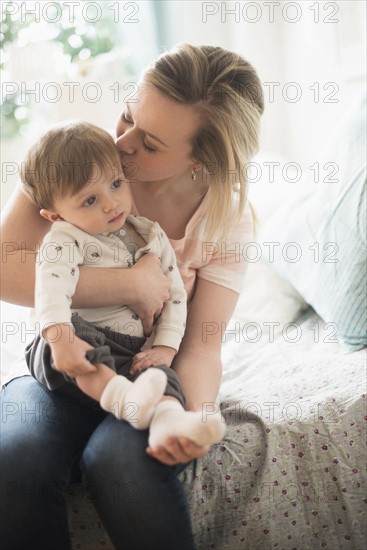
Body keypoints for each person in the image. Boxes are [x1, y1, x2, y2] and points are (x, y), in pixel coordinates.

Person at [0, 44, 264, 550]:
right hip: (63, 365)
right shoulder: (77, 156)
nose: (121, 142)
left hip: (145, 374)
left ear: (200, 158)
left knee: (119, 463)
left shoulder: (225, 220)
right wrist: (129, 284)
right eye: (126, 115)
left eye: (150, 143)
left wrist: (193, 416)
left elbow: (202, 345)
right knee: (14, 457)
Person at [21, 120, 224, 447]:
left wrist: (164, 347)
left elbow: (174, 295)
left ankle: (169, 423)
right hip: (71, 347)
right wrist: (59, 335)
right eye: (89, 200)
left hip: (131, 351)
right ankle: (123, 400)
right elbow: (51, 286)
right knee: (75, 340)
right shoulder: (65, 238)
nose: (111, 203)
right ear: (55, 216)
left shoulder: (150, 233)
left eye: (116, 183)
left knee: (160, 377)